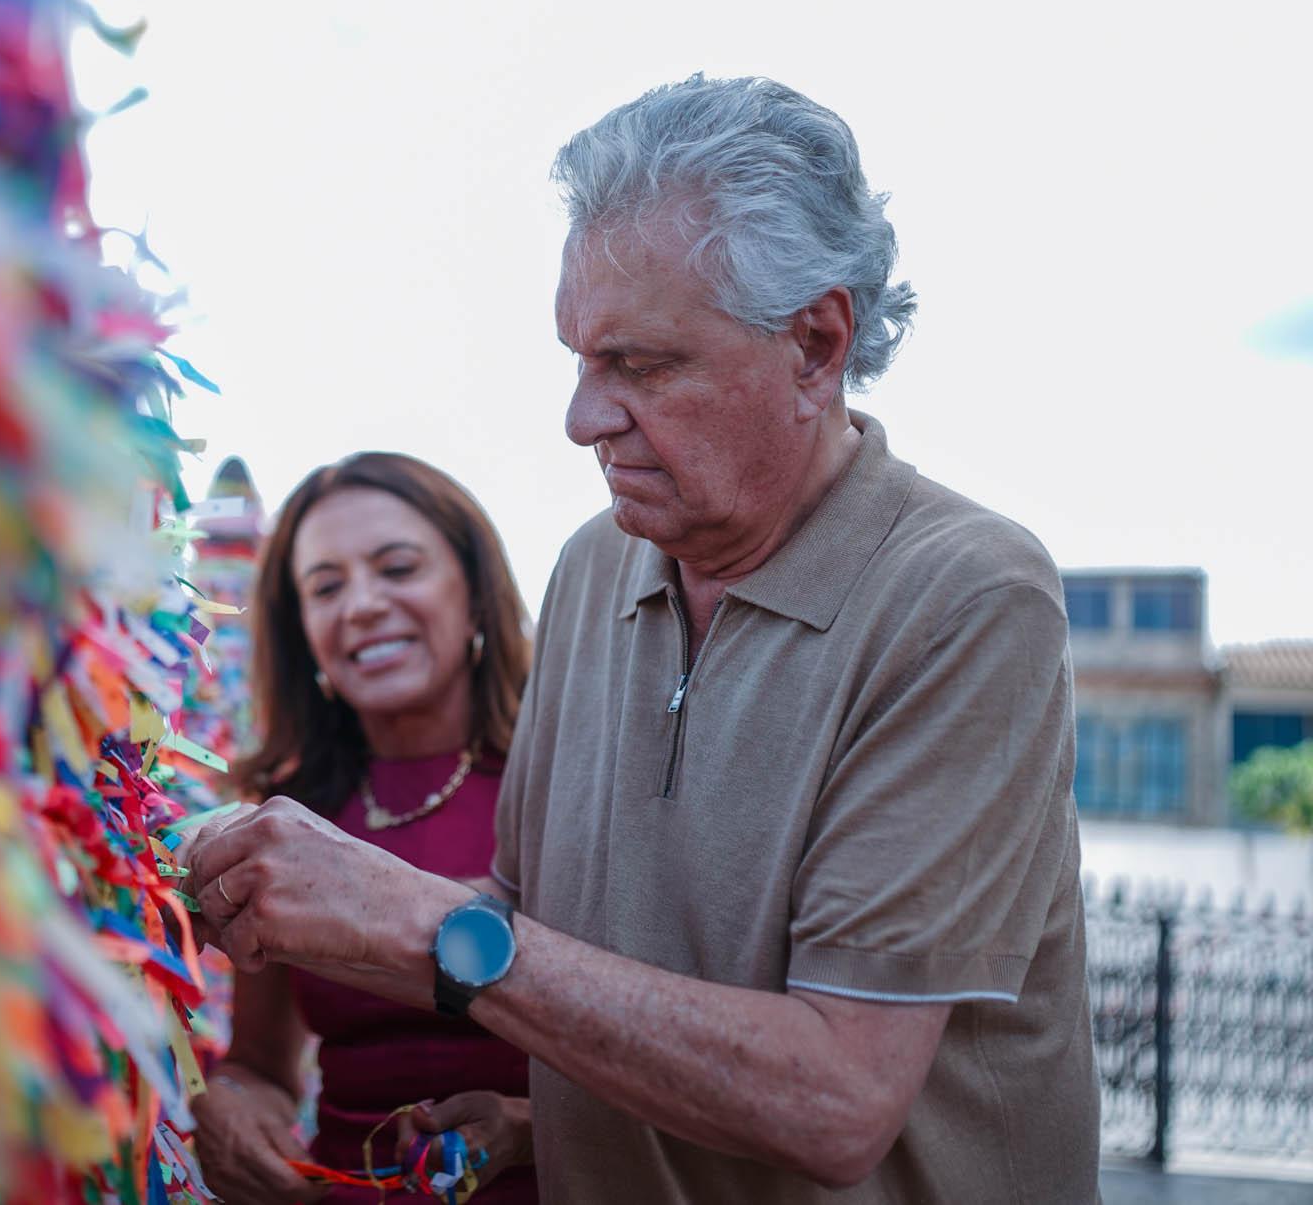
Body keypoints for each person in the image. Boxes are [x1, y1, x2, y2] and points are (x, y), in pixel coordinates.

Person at [184, 75, 1100, 1202]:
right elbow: (524, 932)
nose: (582, 418)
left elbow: (835, 1098)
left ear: (815, 345)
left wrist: (405, 914)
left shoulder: (964, 597)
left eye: (642, 365)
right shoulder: (594, 565)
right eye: (579, 359)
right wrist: (291, 893)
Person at [189, 452, 540, 1204]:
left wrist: (528, 1127)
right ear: (302, 629)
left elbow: (669, 1064)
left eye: (398, 568)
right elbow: (262, 1066)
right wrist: (234, 1104)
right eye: (326, 587)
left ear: (476, 596)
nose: (362, 606)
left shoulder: (569, 783)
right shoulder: (287, 815)